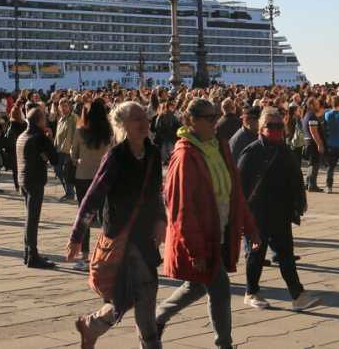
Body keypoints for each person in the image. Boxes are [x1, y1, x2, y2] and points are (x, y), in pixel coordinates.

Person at [155, 98, 260, 349]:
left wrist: (251, 228)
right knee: (220, 288)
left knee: (196, 286)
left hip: (220, 231)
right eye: (209, 118)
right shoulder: (184, 156)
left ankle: (155, 319)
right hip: (201, 236)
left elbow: (235, 193)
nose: (215, 122)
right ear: (191, 121)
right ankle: (224, 344)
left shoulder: (219, 146)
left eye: (215, 117)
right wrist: (196, 251)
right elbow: (181, 208)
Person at [69, 101, 164, 349]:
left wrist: (161, 220)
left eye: (145, 117)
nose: (144, 123)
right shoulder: (116, 157)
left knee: (130, 294)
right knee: (145, 291)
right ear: (122, 125)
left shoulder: (153, 153)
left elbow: (156, 192)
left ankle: (92, 324)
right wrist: (77, 235)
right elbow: (93, 196)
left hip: (145, 237)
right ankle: (150, 343)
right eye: (136, 119)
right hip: (122, 236)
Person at [236, 107, 319, 311]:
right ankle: (251, 292)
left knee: (286, 255)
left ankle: (298, 295)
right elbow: (239, 186)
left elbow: (295, 178)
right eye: (270, 126)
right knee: (256, 254)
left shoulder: (284, 150)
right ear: (261, 128)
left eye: (279, 126)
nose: (276, 130)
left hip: (280, 211)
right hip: (257, 212)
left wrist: (299, 203)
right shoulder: (252, 152)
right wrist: (242, 217)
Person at [68, 98, 113, 271]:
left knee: (84, 215)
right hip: (103, 176)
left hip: (83, 176)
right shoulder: (108, 132)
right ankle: (105, 253)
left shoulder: (80, 131)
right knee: (105, 216)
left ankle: (85, 256)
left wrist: (79, 159)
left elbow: (73, 154)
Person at [18, 104, 60, 268]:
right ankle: (33, 255)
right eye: (44, 118)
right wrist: (49, 138)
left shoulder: (22, 135)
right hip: (35, 180)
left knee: (29, 218)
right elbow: (55, 159)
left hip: (23, 180)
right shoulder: (40, 137)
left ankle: (27, 252)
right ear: (39, 120)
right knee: (33, 219)